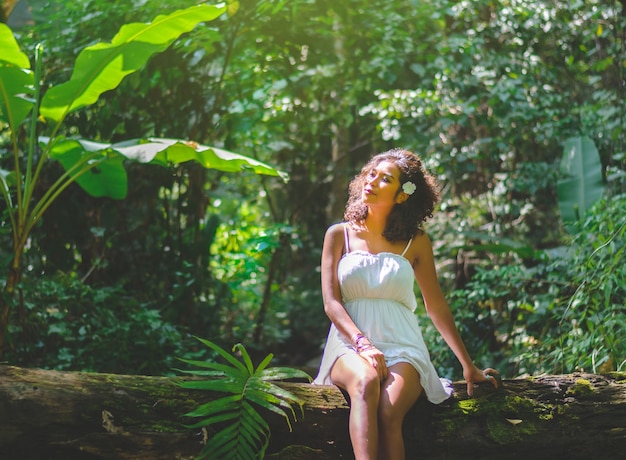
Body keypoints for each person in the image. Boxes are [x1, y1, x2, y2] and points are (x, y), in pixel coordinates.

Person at [313, 148, 499, 460]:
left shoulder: (417, 241)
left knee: (388, 412)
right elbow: (331, 302)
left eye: (385, 179)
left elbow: (436, 306)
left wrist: (468, 366)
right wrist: (362, 343)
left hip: (404, 345)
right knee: (366, 382)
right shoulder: (338, 235)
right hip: (349, 343)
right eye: (372, 173)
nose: (372, 181)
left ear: (402, 196)